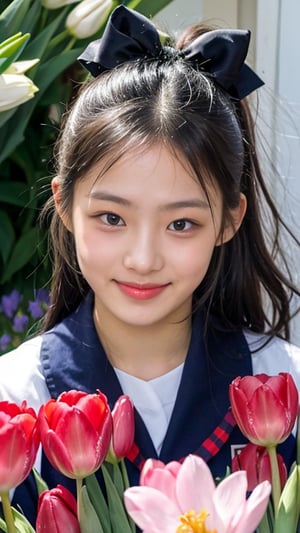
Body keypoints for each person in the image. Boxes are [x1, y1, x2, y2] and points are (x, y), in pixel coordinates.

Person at [0, 4, 300, 525]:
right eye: (111, 217)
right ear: (65, 206)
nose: (143, 259)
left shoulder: (285, 383)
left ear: (230, 220)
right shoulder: (14, 399)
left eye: (181, 224)